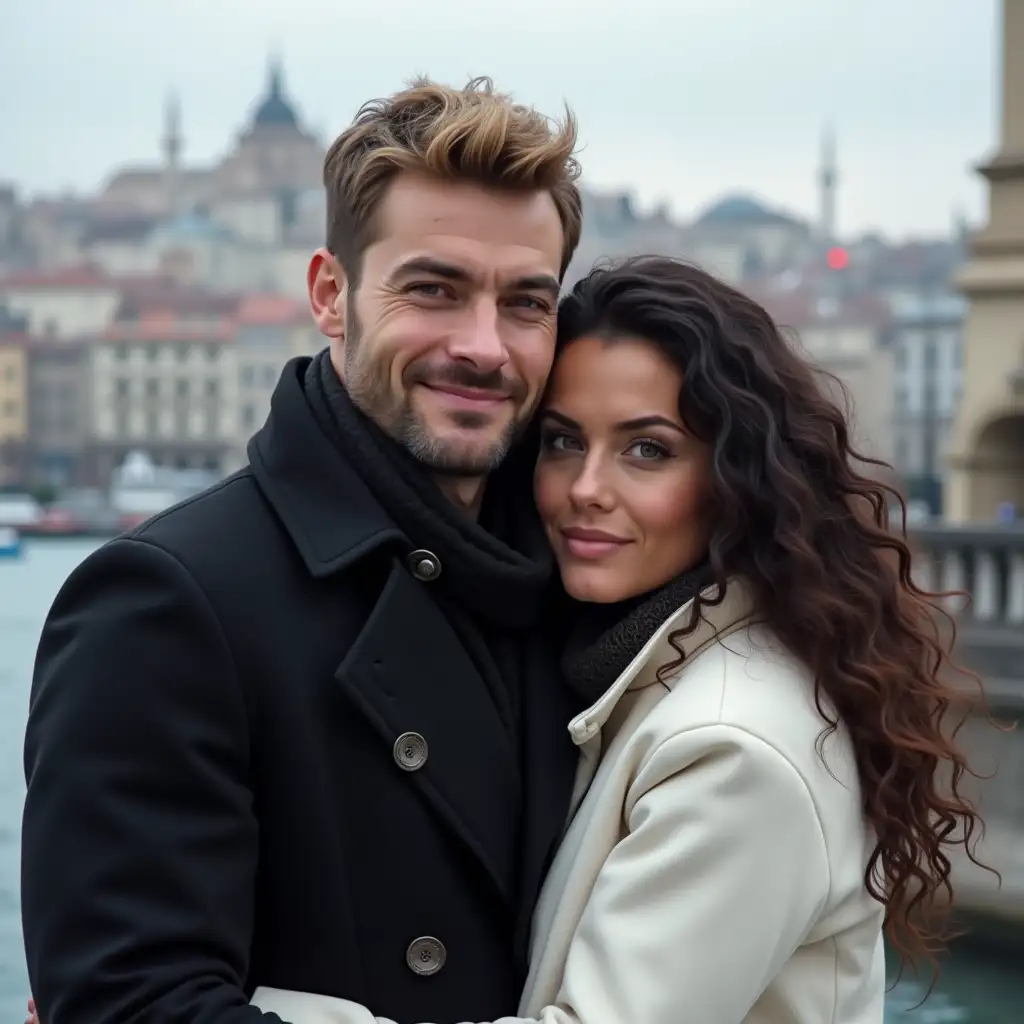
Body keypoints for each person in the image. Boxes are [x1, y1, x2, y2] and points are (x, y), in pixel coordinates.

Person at [244, 258, 983, 1024]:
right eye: (563, 442)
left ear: (739, 482)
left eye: (648, 450)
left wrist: (250, 1007)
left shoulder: (735, 749)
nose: (586, 488)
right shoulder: (644, 668)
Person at [21, 77, 585, 1024]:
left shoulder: (581, 586)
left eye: (526, 303)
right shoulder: (165, 602)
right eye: (434, 290)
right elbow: (131, 1003)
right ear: (331, 295)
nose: (485, 346)